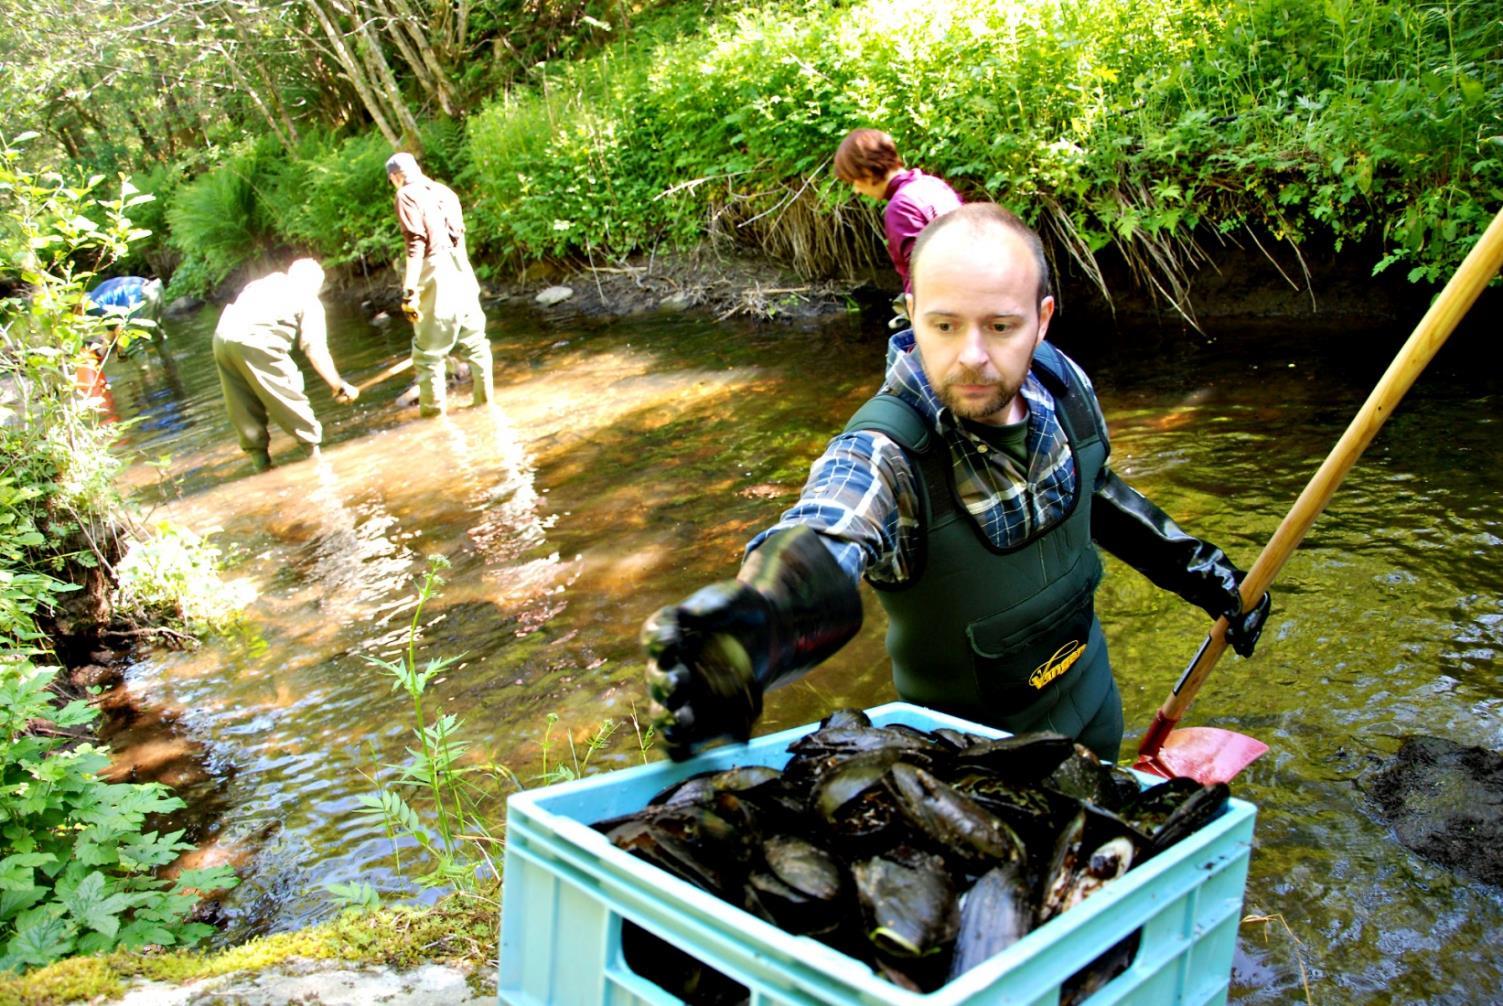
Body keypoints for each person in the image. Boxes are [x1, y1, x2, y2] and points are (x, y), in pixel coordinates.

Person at [643, 203, 1271, 764]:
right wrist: (761, 627)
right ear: (912, 313)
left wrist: (1200, 569)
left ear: (1042, 318)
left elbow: (1093, 490)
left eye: (1000, 326)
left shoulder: (1064, 386)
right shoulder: (886, 454)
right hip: (979, 779)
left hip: (1096, 724)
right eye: (944, 326)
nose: (972, 354)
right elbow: (831, 527)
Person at [212, 258, 358, 472]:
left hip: (222, 337)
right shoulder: (307, 298)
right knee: (288, 393)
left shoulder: (262, 284)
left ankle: (261, 465)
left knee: (241, 402)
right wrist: (338, 385)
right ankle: (316, 460)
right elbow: (315, 350)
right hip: (256, 340)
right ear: (314, 283)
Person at [385, 152, 493, 417]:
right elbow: (460, 236)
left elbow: (416, 243)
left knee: (427, 356)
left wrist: (409, 291)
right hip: (462, 271)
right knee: (477, 344)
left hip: (436, 272)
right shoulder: (445, 191)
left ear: (395, 177)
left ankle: (434, 423)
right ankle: (486, 407)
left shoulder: (406, 195)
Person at [833, 128, 962, 295]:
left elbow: (922, 276)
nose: (856, 190)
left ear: (868, 171)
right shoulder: (933, 185)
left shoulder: (901, 206)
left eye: (854, 181)